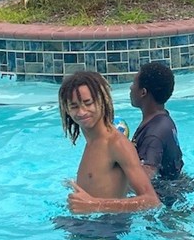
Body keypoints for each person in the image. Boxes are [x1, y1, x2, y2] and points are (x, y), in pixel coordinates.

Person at [59, 70, 161, 214]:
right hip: (92, 226)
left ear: (102, 101)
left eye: (88, 103)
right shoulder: (92, 142)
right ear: (67, 109)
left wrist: (95, 205)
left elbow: (151, 201)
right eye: (74, 106)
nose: (82, 112)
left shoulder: (117, 144)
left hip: (109, 229)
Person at [129, 61, 184, 181]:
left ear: (143, 92)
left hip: (163, 197)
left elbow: (145, 180)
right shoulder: (163, 119)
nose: (131, 87)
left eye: (134, 83)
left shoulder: (154, 134)